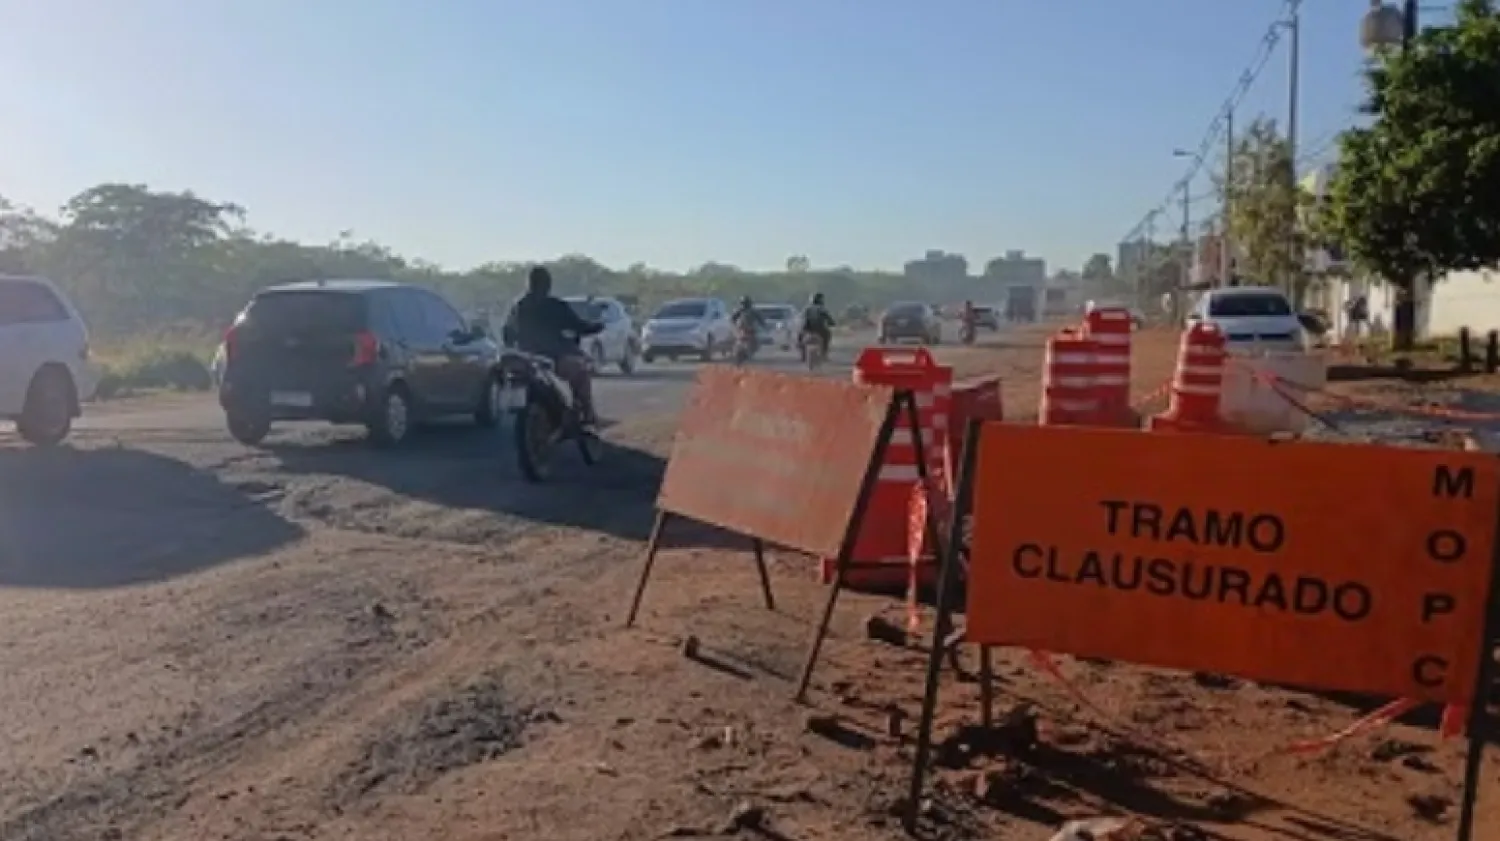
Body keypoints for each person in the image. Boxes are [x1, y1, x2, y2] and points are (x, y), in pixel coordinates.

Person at [503, 266, 605, 423]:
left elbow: (507, 332)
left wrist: (514, 346)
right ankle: (587, 413)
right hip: (553, 356)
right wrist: (597, 326)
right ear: (548, 284)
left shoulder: (518, 306)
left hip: (526, 356)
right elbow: (578, 326)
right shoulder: (554, 305)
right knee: (581, 372)